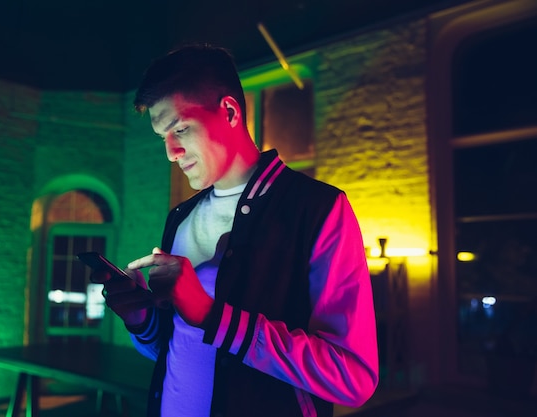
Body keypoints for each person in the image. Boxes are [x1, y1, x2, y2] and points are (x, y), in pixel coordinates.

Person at [94, 44, 378, 417]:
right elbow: (179, 348)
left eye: (180, 128)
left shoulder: (317, 209)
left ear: (229, 111)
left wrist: (215, 317)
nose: (171, 152)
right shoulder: (179, 218)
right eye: (162, 137)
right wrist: (141, 320)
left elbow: (351, 377)